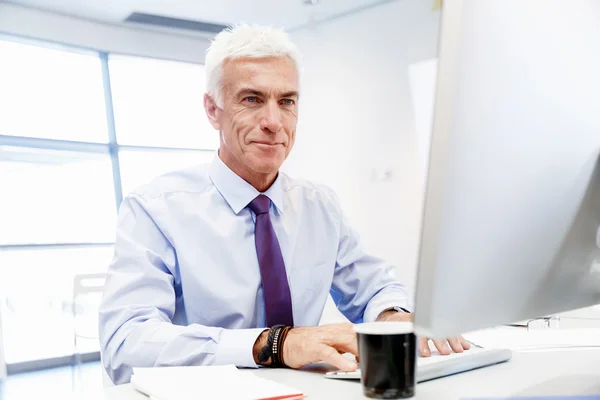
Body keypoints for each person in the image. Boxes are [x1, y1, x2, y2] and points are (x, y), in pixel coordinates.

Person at [99, 24, 470, 385]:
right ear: (213, 110)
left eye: (287, 101)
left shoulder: (318, 205)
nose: (274, 122)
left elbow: (373, 287)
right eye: (251, 99)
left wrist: (391, 316)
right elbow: (124, 345)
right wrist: (273, 345)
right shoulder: (155, 208)